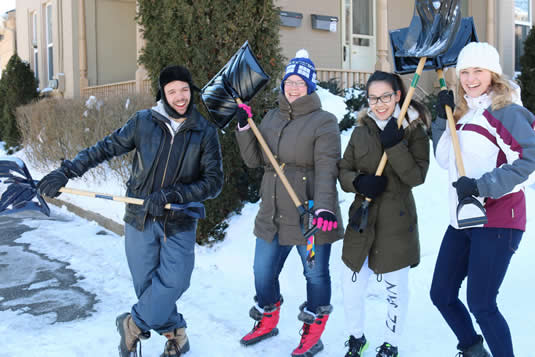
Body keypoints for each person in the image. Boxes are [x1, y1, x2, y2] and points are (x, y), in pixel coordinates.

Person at [37, 65, 224, 357]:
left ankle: (132, 324)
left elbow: (213, 183)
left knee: (176, 280)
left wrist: (175, 193)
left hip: (180, 220)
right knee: (148, 287)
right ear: (162, 93)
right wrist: (67, 172)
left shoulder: (204, 131)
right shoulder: (143, 122)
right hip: (141, 218)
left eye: (184, 89)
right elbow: (105, 148)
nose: (180, 97)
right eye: (172, 90)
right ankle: (177, 334)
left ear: (192, 90)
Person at [234, 49, 343, 357]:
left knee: (315, 274)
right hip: (272, 211)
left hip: (309, 215)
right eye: (289, 82)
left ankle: (314, 331)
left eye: (300, 82)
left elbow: (326, 166)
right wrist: (244, 128)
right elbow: (255, 160)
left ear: (310, 86)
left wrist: (324, 207)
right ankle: (268, 319)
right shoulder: (270, 117)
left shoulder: (325, 121)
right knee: (262, 272)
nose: (293, 87)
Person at [430, 42, 535, 357]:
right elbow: (446, 159)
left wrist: (481, 185)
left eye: (478, 70)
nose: (470, 78)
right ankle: (474, 351)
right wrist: (441, 119)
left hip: (499, 217)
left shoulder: (507, 111)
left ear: (493, 74)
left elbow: (528, 163)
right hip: (463, 216)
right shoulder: (462, 112)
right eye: (465, 71)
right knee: (442, 294)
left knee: (481, 303)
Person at [338, 71, 430, 357]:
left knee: (395, 293)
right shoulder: (361, 130)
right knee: (351, 289)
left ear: (398, 96)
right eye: (373, 98)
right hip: (361, 221)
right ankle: (357, 337)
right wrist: (359, 182)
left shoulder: (412, 129)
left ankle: (391, 343)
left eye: (385, 97)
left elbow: (416, 176)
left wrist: (395, 145)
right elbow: (343, 171)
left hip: (396, 224)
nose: (379, 104)